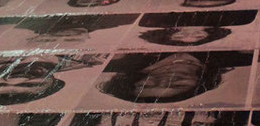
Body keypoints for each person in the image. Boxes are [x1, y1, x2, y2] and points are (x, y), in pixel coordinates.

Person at [97, 52, 236, 103]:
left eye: (147, 86)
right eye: (178, 85)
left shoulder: (124, 58)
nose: (166, 80)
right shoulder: (231, 58)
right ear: (199, 85)